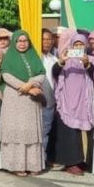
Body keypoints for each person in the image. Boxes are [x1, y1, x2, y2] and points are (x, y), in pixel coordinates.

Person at [0, 30, 46, 176]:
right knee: (16, 130)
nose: (22, 44)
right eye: (19, 41)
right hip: (15, 98)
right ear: (15, 42)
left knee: (30, 130)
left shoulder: (33, 55)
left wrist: (30, 84)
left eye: (25, 41)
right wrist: (26, 88)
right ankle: (16, 165)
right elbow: (6, 75)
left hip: (31, 101)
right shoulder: (9, 57)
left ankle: (33, 164)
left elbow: (41, 73)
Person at [50, 34, 94, 176]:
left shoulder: (90, 60)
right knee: (68, 133)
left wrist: (87, 64)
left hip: (84, 102)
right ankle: (71, 162)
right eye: (75, 45)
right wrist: (61, 62)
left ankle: (83, 161)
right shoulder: (65, 60)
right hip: (67, 103)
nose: (78, 47)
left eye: (81, 45)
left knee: (84, 132)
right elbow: (55, 73)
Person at [40, 28, 58, 156]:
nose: (46, 42)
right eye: (44, 39)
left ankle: (43, 157)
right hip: (36, 99)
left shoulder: (54, 59)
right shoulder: (35, 57)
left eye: (49, 40)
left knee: (45, 130)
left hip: (50, 100)